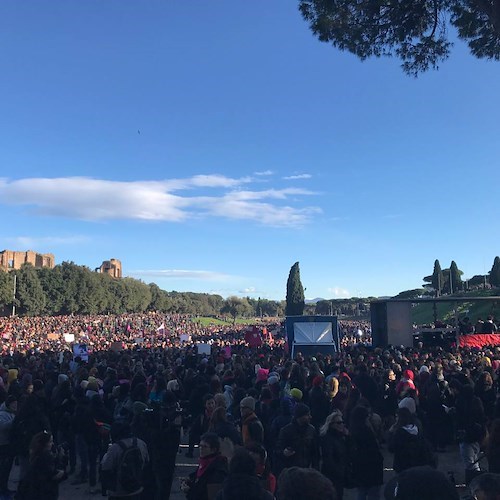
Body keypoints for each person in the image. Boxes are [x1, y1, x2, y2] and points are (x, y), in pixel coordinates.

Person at [100, 421, 149, 499]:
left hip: (119, 492)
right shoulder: (141, 443)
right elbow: (146, 462)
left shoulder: (115, 448)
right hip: (137, 488)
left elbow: (105, 467)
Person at [16, 430, 67, 500]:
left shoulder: (36, 455)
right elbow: (52, 475)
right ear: (44, 444)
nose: (52, 444)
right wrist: (61, 460)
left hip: (35, 490)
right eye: (50, 441)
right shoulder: (45, 457)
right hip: (44, 492)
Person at [349, 405, 383, 500]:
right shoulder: (366, 431)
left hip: (359, 467)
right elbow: (374, 449)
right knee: (373, 493)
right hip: (372, 467)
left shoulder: (353, 430)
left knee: (361, 491)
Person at [180, 432, 228, 500]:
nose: (201, 449)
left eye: (205, 447)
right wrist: (188, 483)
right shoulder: (204, 463)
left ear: (214, 449)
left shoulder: (218, 470)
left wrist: (190, 491)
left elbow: (212, 496)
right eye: (200, 446)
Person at [275, 403, 319, 472]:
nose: (310, 417)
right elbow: (278, 449)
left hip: (307, 469)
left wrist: (315, 468)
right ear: (299, 416)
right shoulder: (286, 431)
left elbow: (315, 452)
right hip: (291, 470)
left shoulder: (311, 430)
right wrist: (284, 453)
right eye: (307, 415)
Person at [320, 410, 351, 500]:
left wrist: (348, 437)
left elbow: (349, 452)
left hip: (339, 475)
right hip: (332, 475)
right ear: (331, 424)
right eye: (339, 422)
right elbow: (328, 459)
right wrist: (339, 471)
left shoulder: (340, 437)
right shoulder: (327, 439)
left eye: (342, 422)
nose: (342, 424)